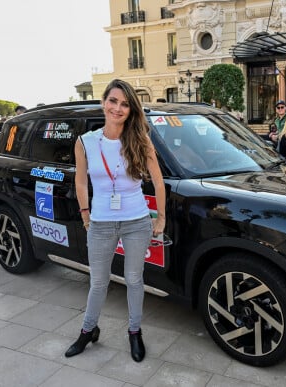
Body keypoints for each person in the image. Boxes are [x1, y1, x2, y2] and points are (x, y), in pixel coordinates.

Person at [66, 79, 166, 362]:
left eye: (124, 104)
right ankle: (88, 330)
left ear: (131, 109)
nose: (118, 108)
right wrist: (86, 215)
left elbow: (158, 182)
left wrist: (161, 218)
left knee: (134, 279)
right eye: (113, 101)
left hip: (136, 220)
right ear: (103, 102)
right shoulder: (85, 142)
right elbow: (81, 182)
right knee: (98, 282)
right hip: (100, 222)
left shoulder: (139, 140)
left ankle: (134, 332)